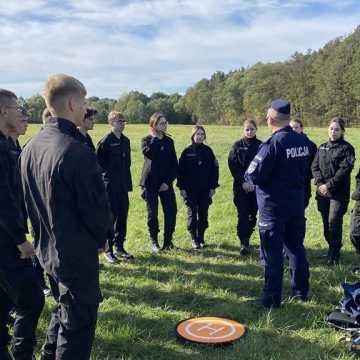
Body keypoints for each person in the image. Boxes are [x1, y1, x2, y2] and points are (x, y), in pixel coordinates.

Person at [20, 74, 111, 360]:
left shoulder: (30, 148)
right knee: (77, 327)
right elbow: (96, 209)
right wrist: (102, 239)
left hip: (47, 250)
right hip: (75, 255)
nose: (86, 108)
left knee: (63, 309)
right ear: (72, 103)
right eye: (84, 102)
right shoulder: (76, 151)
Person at [245, 99, 310, 308]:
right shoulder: (303, 142)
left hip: (273, 209)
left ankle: (271, 299)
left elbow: (253, 174)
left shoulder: (272, 144)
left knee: (272, 255)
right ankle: (301, 291)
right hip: (296, 205)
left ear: (270, 119)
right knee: (296, 248)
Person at [0, 89, 44, 360]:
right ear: (3, 111)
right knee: (32, 299)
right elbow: (3, 200)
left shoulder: (9, 146)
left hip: (9, 236)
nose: (22, 113)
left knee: (5, 301)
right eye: (17, 108)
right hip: (6, 242)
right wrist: (20, 239)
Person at [311, 117, 355, 264]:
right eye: (331, 128)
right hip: (322, 192)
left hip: (338, 193)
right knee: (325, 222)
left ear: (342, 131)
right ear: (327, 130)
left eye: (337, 129)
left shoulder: (347, 148)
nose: (333, 132)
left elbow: (345, 170)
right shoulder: (322, 147)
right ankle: (331, 249)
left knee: (333, 221)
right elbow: (314, 167)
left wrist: (329, 185)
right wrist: (320, 184)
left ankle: (335, 254)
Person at [96, 111, 133, 263]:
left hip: (123, 185)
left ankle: (119, 246)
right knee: (110, 218)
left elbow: (128, 163)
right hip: (109, 186)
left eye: (123, 121)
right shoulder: (105, 141)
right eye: (119, 121)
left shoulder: (126, 141)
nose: (122, 123)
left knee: (123, 215)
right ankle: (108, 249)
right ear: (111, 123)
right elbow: (98, 164)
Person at [140, 112, 178, 252]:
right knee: (152, 213)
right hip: (150, 183)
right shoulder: (146, 141)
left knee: (171, 211)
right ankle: (154, 241)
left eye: (166, 122)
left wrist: (167, 182)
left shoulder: (169, 142)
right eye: (162, 123)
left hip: (166, 183)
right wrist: (155, 138)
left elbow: (175, 165)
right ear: (154, 125)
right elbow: (149, 153)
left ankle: (168, 242)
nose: (165, 125)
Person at [177, 125, 219, 249]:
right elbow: (180, 172)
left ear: (204, 136)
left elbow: (214, 170)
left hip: (205, 190)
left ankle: (201, 237)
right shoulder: (187, 152)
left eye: (202, 134)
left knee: (203, 214)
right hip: (190, 190)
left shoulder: (208, 151)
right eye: (197, 134)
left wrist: (213, 187)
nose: (199, 136)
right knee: (192, 214)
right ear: (193, 136)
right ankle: (193, 238)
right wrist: (182, 188)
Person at [228, 120, 262, 255]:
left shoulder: (261, 146)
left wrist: (254, 183)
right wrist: (242, 182)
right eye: (247, 129)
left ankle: (248, 236)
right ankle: (243, 243)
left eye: (252, 129)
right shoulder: (237, 146)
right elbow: (232, 164)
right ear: (243, 130)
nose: (249, 132)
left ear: (256, 129)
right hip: (240, 187)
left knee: (252, 215)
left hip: (256, 187)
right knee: (242, 214)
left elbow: (263, 166)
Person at [290, 119, 318, 208]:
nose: (293, 129)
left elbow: (314, 164)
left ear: (302, 128)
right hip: (288, 185)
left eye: (296, 127)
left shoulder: (311, 145)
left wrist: (305, 176)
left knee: (301, 208)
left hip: (304, 184)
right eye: (291, 128)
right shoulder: (284, 144)